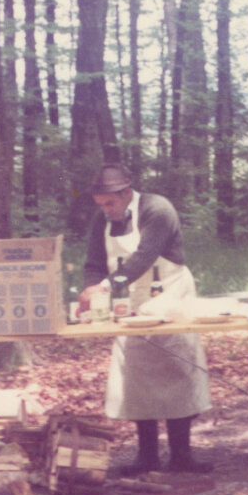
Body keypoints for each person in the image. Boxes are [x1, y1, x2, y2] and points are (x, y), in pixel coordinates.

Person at [78, 163, 212, 475]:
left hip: (170, 295)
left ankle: (181, 455)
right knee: (137, 379)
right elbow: (94, 262)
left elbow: (144, 255)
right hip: (130, 302)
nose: (106, 210)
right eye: (100, 204)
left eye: (110, 203)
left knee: (178, 370)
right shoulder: (103, 219)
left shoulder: (158, 209)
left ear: (126, 192)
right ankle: (147, 457)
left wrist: (106, 286)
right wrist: (90, 291)